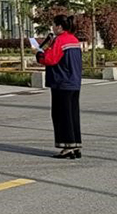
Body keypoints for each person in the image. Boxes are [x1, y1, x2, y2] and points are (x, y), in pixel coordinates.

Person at [35, 14, 83, 159]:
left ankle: (67, 147)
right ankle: (75, 145)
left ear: (59, 27)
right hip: (74, 82)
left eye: (54, 25)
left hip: (61, 82)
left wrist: (38, 54)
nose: (53, 28)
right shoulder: (74, 40)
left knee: (61, 115)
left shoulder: (60, 40)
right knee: (72, 115)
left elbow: (50, 59)